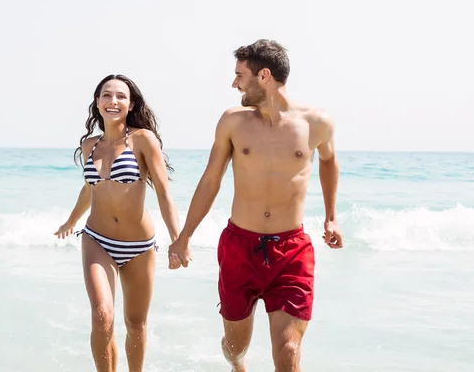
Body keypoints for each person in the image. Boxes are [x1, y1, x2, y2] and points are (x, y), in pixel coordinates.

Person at [168, 39, 343, 371]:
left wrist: (331, 217)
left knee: (288, 348)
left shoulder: (316, 123)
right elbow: (210, 180)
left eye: (239, 75)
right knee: (235, 346)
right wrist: (184, 236)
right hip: (239, 247)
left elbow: (329, 161)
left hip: (291, 250)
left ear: (264, 76)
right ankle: (238, 365)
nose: (234, 84)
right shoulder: (233, 122)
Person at [54, 74, 180, 372]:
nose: (113, 101)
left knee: (135, 324)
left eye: (121, 96)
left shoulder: (143, 140)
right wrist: (71, 221)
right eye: (106, 95)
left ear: (131, 103)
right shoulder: (89, 145)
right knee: (101, 315)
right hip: (97, 238)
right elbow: (90, 189)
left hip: (138, 245)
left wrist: (178, 239)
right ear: (97, 103)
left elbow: (163, 193)